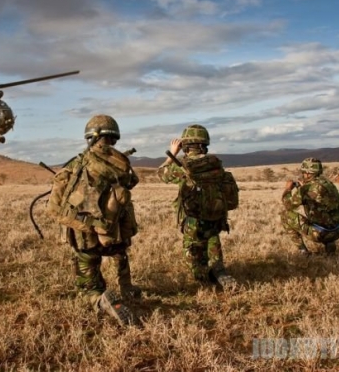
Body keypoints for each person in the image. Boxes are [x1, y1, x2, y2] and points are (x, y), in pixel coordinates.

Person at [47, 114, 141, 326]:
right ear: (114, 137)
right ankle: (127, 287)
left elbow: (54, 209)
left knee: (88, 278)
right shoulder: (122, 162)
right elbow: (132, 182)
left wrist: (88, 224)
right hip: (115, 235)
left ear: (89, 136)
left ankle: (99, 298)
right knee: (120, 254)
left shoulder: (76, 164)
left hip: (86, 238)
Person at [157, 124, 239, 291]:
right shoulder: (216, 165)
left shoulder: (184, 167)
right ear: (205, 144)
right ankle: (218, 270)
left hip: (193, 220)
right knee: (212, 239)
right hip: (216, 216)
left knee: (193, 250)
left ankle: (204, 279)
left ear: (185, 146)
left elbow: (161, 173)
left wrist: (173, 152)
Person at [281, 157, 339, 256]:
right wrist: (302, 189)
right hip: (337, 231)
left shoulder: (306, 189)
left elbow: (288, 205)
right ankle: (330, 246)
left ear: (307, 173)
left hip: (320, 234)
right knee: (325, 218)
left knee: (285, 215)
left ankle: (303, 252)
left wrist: (288, 189)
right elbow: (318, 198)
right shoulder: (328, 184)